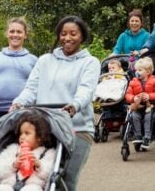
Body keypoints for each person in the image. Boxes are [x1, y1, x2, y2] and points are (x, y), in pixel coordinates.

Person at [10, 16, 99, 191]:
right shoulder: (44, 61)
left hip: (77, 128)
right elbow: (31, 88)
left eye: (73, 34)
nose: (67, 38)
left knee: (66, 179)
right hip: (46, 127)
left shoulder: (90, 62)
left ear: (82, 37)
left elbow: (86, 90)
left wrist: (74, 105)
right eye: (63, 34)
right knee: (42, 177)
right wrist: (19, 102)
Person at [0, 17, 38, 135]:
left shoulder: (33, 60)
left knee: (22, 148)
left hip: (23, 110)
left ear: (25, 35)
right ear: (6, 34)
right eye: (12, 31)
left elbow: (37, 87)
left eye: (19, 32)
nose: (15, 35)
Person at [0, 113, 56, 191]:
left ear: (39, 137)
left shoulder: (48, 153)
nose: (22, 137)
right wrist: (14, 165)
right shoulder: (12, 149)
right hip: (9, 185)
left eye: (27, 133)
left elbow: (49, 174)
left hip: (32, 186)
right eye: (21, 133)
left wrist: (39, 165)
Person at [124, 57, 155, 150]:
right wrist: (134, 98)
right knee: (134, 116)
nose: (137, 72)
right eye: (136, 70)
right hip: (138, 106)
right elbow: (128, 94)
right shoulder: (133, 82)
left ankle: (147, 137)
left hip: (151, 106)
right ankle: (137, 135)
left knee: (148, 117)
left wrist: (149, 96)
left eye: (140, 70)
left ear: (148, 72)